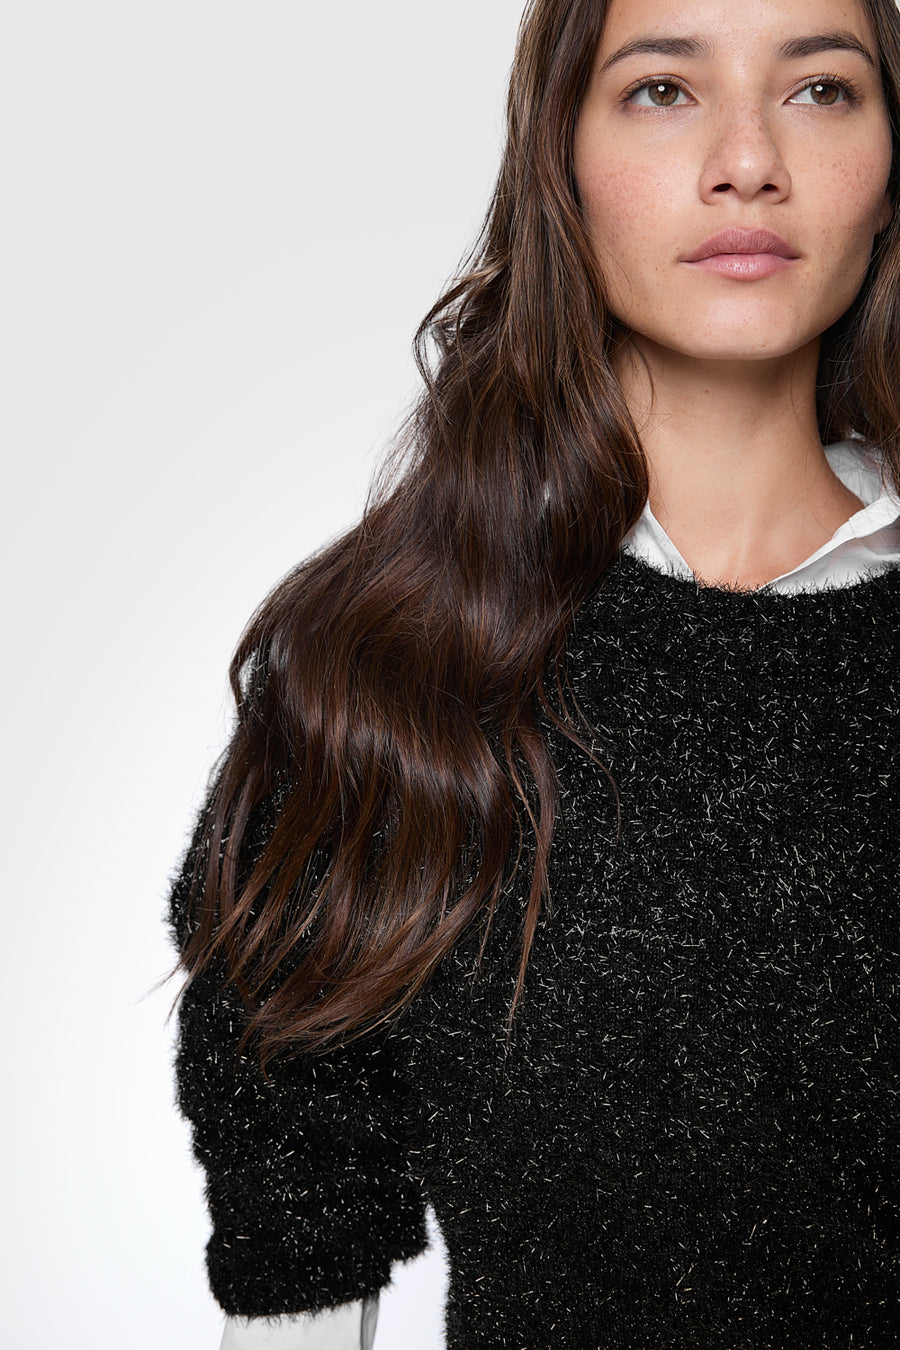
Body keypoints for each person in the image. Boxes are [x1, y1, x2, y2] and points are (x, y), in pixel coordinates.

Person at [166, 0, 900, 1345]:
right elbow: (299, 1241)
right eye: (664, 88)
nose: (748, 161)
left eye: (821, 89)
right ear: (557, 158)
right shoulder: (383, 676)